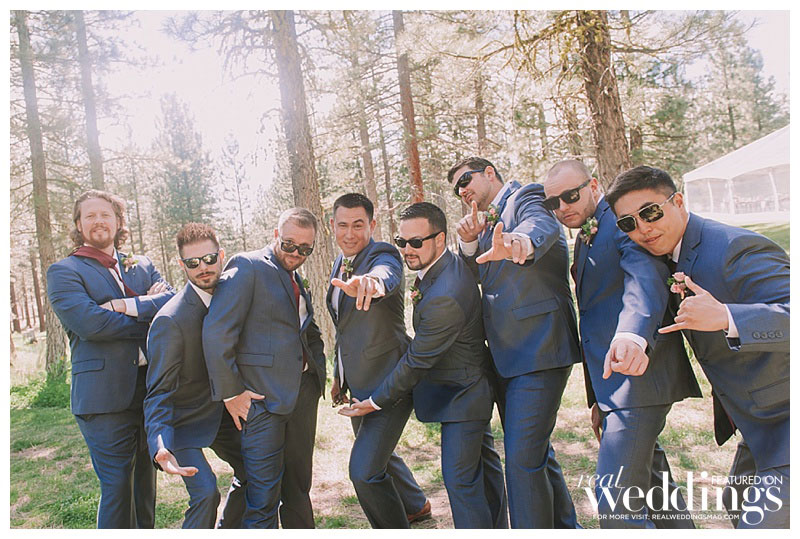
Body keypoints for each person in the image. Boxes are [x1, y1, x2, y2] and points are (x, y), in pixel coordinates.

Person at [607, 165, 789, 529]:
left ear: (678, 202)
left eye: (650, 212)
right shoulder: (667, 253)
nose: (643, 228)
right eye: (628, 223)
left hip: (785, 415)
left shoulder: (734, 248)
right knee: (736, 501)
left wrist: (726, 316)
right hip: (758, 421)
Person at [543, 160, 701, 528]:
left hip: (639, 379)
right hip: (615, 386)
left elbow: (645, 281)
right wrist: (599, 399)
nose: (563, 206)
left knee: (615, 500)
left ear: (593, 186)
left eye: (570, 195)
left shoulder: (621, 223)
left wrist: (631, 336)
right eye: (553, 203)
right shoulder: (587, 233)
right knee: (657, 490)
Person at [340, 202, 508, 529]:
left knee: (460, 481)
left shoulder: (445, 293)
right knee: (485, 471)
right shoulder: (444, 266)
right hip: (465, 383)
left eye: (416, 242)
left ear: (439, 239)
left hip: (463, 393)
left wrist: (375, 401)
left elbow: (417, 361)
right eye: (402, 241)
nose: (407, 249)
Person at [447, 157, 580, 528]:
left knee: (521, 461)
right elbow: (477, 275)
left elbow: (540, 226)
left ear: (490, 173)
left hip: (539, 346)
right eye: (456, 189)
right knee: (536, 454)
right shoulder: (485, 225)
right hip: (507, 356)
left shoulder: (526, 196)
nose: (462, 190)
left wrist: (520, 242)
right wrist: (469, 243)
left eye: (465, 180)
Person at [46, 189, 174, 528]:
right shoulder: (64, 271)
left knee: (145, 488)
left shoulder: (141, 265)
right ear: (78, 224)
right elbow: (91, 324)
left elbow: (174, 303)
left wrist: (124, 306)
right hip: (103, 399)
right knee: (118, 488)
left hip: (148, 394)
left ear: (118, 222)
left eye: (105, 214)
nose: (98, 221)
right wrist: (149, 315)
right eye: (90, 215)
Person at [202, 208, 326, 528]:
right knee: (263, 496)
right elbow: (217, 332)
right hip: (261, 401)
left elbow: (303, 329)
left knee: (298, 488)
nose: (296, 253)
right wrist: (231, 393)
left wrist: (318, 370)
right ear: (275, 235)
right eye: (289, 244)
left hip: (302, 395)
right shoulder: (248, 266)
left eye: (305, 249)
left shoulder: (296, 276)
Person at [326, 193, 429, 528]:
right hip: (358, 383)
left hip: (390, 382)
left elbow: (386, 274)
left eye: (358, 225)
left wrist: (372, 283)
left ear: (372, 225)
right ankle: (416, 505)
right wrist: (339, 375)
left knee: (365, 471)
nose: (350, 233)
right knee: (378, 451)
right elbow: (345, 327)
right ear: (332, 226)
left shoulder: (383, 253)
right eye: (343, 225)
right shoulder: (339, 263)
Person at [143, 223, 245, 528]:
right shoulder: (170, 320)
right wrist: (160, 444)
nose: (203, 267)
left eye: (209, 259)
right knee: (205, 494)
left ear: (221, 255)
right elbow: (158, 391)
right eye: (193, 262)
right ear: (181, 265)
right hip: (184, 422)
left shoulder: (236, 298)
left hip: (226, 415)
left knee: (259, 473)